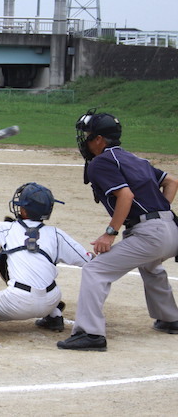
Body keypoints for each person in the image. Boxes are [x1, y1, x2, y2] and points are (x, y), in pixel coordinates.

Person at [57, 110, 178, 351]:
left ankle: (91, 334)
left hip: (150, 233)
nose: (85, 140)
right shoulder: (134, 159)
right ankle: (170, 318)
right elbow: (172, 181)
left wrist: (110, 233)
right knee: (152, 266)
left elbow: (125, 195)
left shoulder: (101, 162)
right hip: (171, 230)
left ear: (100, 139)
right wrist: (161, 212)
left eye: (89, 136)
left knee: (95, 270)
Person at [0, 183, 94, 338]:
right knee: (46, 287)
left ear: (23, 210)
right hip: (52, 298)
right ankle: (54, 315)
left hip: (17, 303)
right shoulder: (57, 235)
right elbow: (88, 260)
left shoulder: (8, 228)